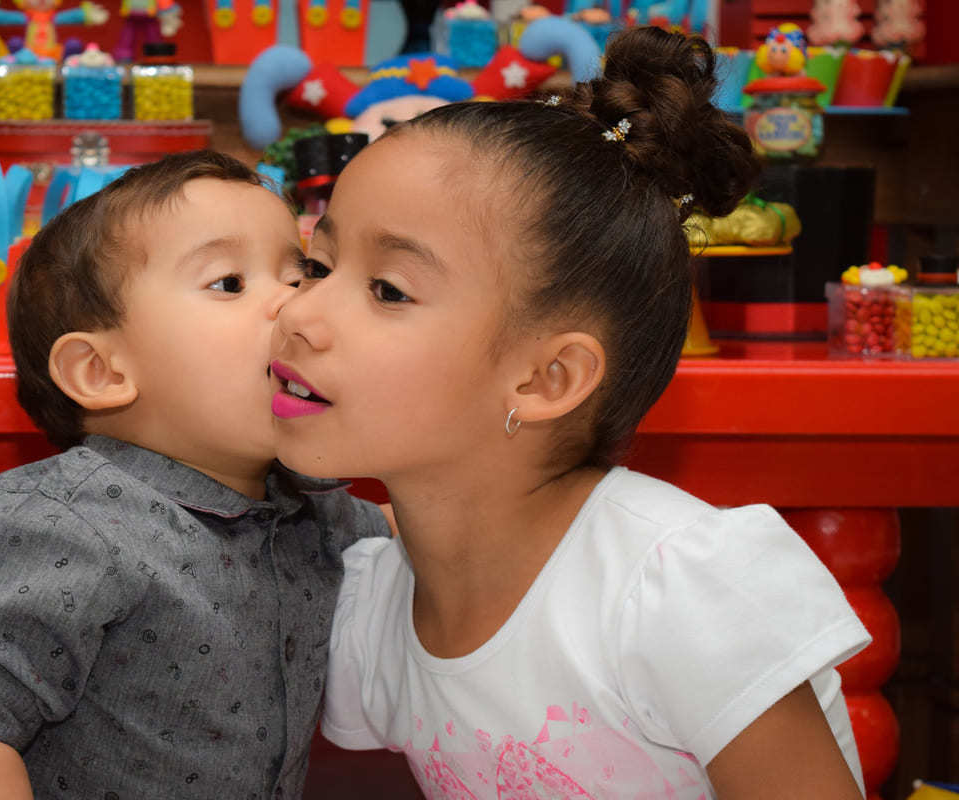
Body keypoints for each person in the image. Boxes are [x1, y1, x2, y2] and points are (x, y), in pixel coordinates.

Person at [269, 26, 871, 799]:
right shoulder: (380, 605)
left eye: (387, 289)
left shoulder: (673, 588)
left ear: (547, 378)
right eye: (315, 264)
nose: (299, 314)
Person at [0, 152, 390, 799]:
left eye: (300, 276)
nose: (295, 307)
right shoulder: (72, 527)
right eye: (229, 283)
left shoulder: (308, 507)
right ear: (102, 372)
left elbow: (421, 535)